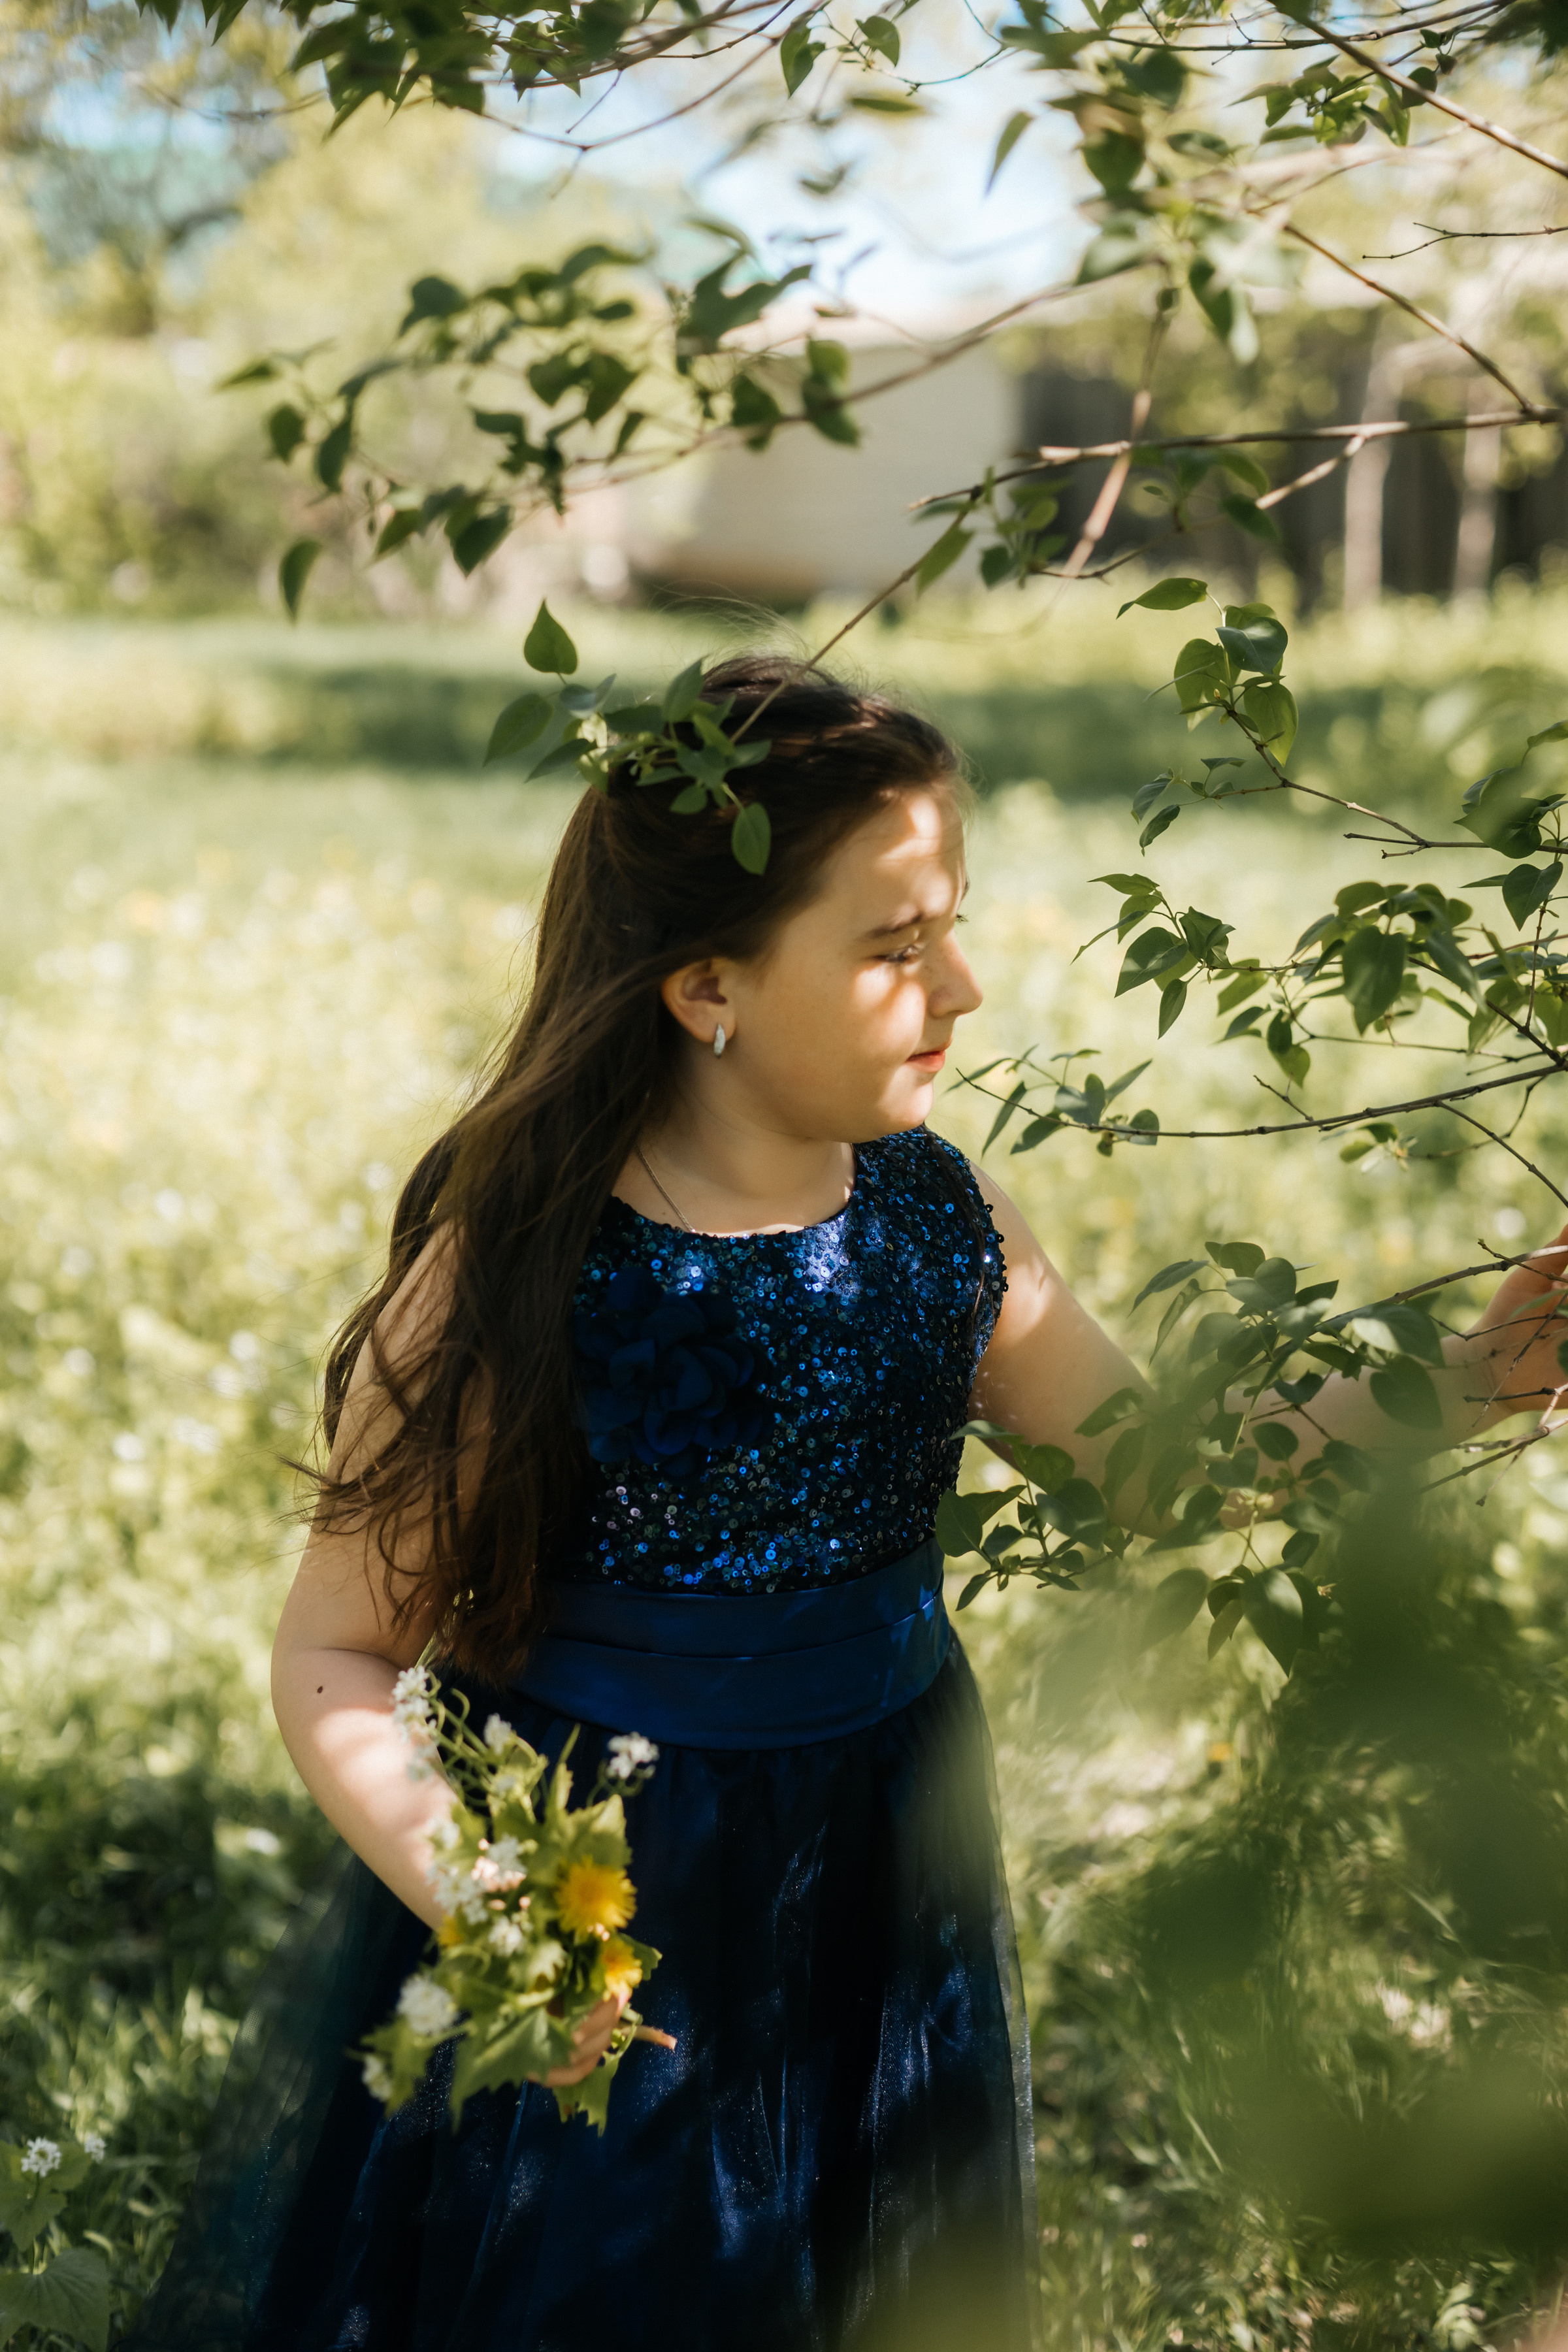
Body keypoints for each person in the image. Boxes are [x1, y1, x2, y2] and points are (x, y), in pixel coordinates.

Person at [126, 655, 1568, 2352]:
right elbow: (338, 1653)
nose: (960, 985)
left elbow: (1161, 1466)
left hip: (879, 1864)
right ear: (707, 986)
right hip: (618, 1898)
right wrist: (489, 1894)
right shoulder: (524, 1274)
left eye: (950, 924)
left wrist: (1471, 1376)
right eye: (893, 950)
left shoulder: (938, 1225)